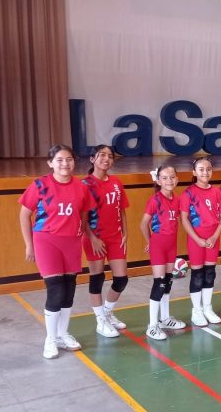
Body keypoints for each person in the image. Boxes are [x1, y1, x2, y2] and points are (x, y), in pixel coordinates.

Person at [19, 144, 95, 359]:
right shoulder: (40, 185)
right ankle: (50, 338)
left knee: (69, 290)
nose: (65, 164)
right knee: (56, 290)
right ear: (50, 163)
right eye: (59, 160)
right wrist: (29, 244)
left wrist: (81, 234)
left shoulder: (81, 187)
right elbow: (24, 215)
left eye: (69, 159)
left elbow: (83, 215)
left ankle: (62, 334)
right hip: (46, 241)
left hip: (71, 242)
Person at [82, 145, 130, 338]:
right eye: (102, 155)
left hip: (116, 237)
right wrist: (92, 238)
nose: (106, 159)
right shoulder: (85, 184)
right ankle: (100, 320)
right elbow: (82, 218)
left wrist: (125, 232)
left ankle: (107, 313)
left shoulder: (116, 182)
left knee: (121, 279)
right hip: (95, 238)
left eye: (110, 156)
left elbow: (121, 209)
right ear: (92, 159)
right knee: (97, 278)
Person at [180, 157, 221, 327]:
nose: (205, 172)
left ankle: (207, 308)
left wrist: (215, 236)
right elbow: (184, 219)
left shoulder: (217, 192)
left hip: (213, 238)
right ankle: (197, 310)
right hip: (196, 240)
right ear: (194, 172)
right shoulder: (188, 193)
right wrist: (197, 239)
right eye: (201, 169)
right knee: (197, 274)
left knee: (209, 273)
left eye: (208, 169)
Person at [140, 164, 186, 340]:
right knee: (159, 283)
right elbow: (143, 224)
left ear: (177, 179)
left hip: (171, 246)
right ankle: (152, 326)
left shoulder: (178, 199)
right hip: (158, 245)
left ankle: (165, 319)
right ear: (158, 181)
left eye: (172, 177)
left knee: (167, 282)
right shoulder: (155, 200)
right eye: (165, 178)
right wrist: (150, 242)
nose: (169, 180)